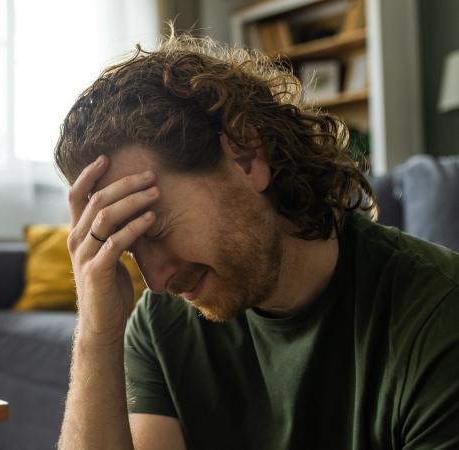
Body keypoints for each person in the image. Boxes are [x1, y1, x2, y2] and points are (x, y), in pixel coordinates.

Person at [53, 32, 459, 449]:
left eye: (156, 230)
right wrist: (96, 336)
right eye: (131, 249)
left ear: (247, 156)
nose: (156, 282)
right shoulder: (161, 325)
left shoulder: (438, 316)